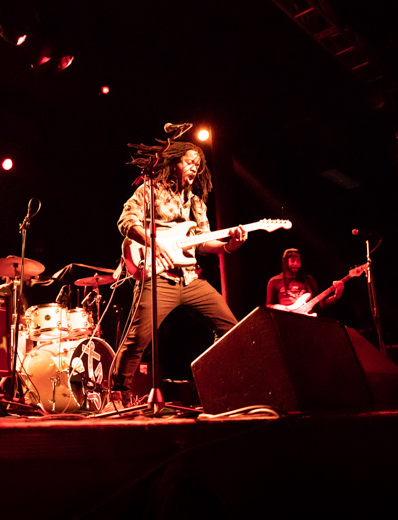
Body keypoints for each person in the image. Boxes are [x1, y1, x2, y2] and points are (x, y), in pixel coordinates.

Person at [110, 141, 245, 405]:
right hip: (158, 277)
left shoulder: (196, 202)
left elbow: (203, 243)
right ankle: (117, 393)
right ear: (174, 163)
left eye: (198, 164)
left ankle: (216, 385)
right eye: (189, 162)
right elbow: (126, 222)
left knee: (231, 329)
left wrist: (229, 245)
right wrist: (152, 242)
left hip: (191, 278)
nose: (194, 168)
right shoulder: (150, 190)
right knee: (138, 339)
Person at [265, 248, 343, 314]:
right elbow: (268, 305)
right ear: (284, 262)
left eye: (298, 261)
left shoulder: (308, 280)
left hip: (306, 320)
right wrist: (279, 307)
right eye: (292, 261)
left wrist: (336, 296)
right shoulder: (274, 281)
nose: (296, 264)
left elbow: (320, 304)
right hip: (285, 319)